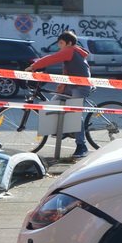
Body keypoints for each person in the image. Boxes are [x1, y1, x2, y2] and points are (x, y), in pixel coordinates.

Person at [26, 31, 92, 159]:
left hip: (81, 85)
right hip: (69, 85)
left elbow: (52, 58)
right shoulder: (72, 51)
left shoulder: (70, 50)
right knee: (52, 105)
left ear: (69, 43)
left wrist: (33, 67)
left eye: (61, 43)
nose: (59, 46)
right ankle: (63, 130)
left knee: (74, 113)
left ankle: (81, 146)